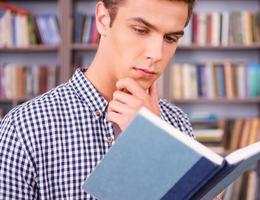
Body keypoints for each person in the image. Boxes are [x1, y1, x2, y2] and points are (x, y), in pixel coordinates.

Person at [0, 0, 195, 199]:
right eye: (140, 30)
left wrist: (157, 142)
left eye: (170, 38)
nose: (156, 54)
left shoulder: (176, 122)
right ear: (103, 19)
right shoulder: (23, 128)